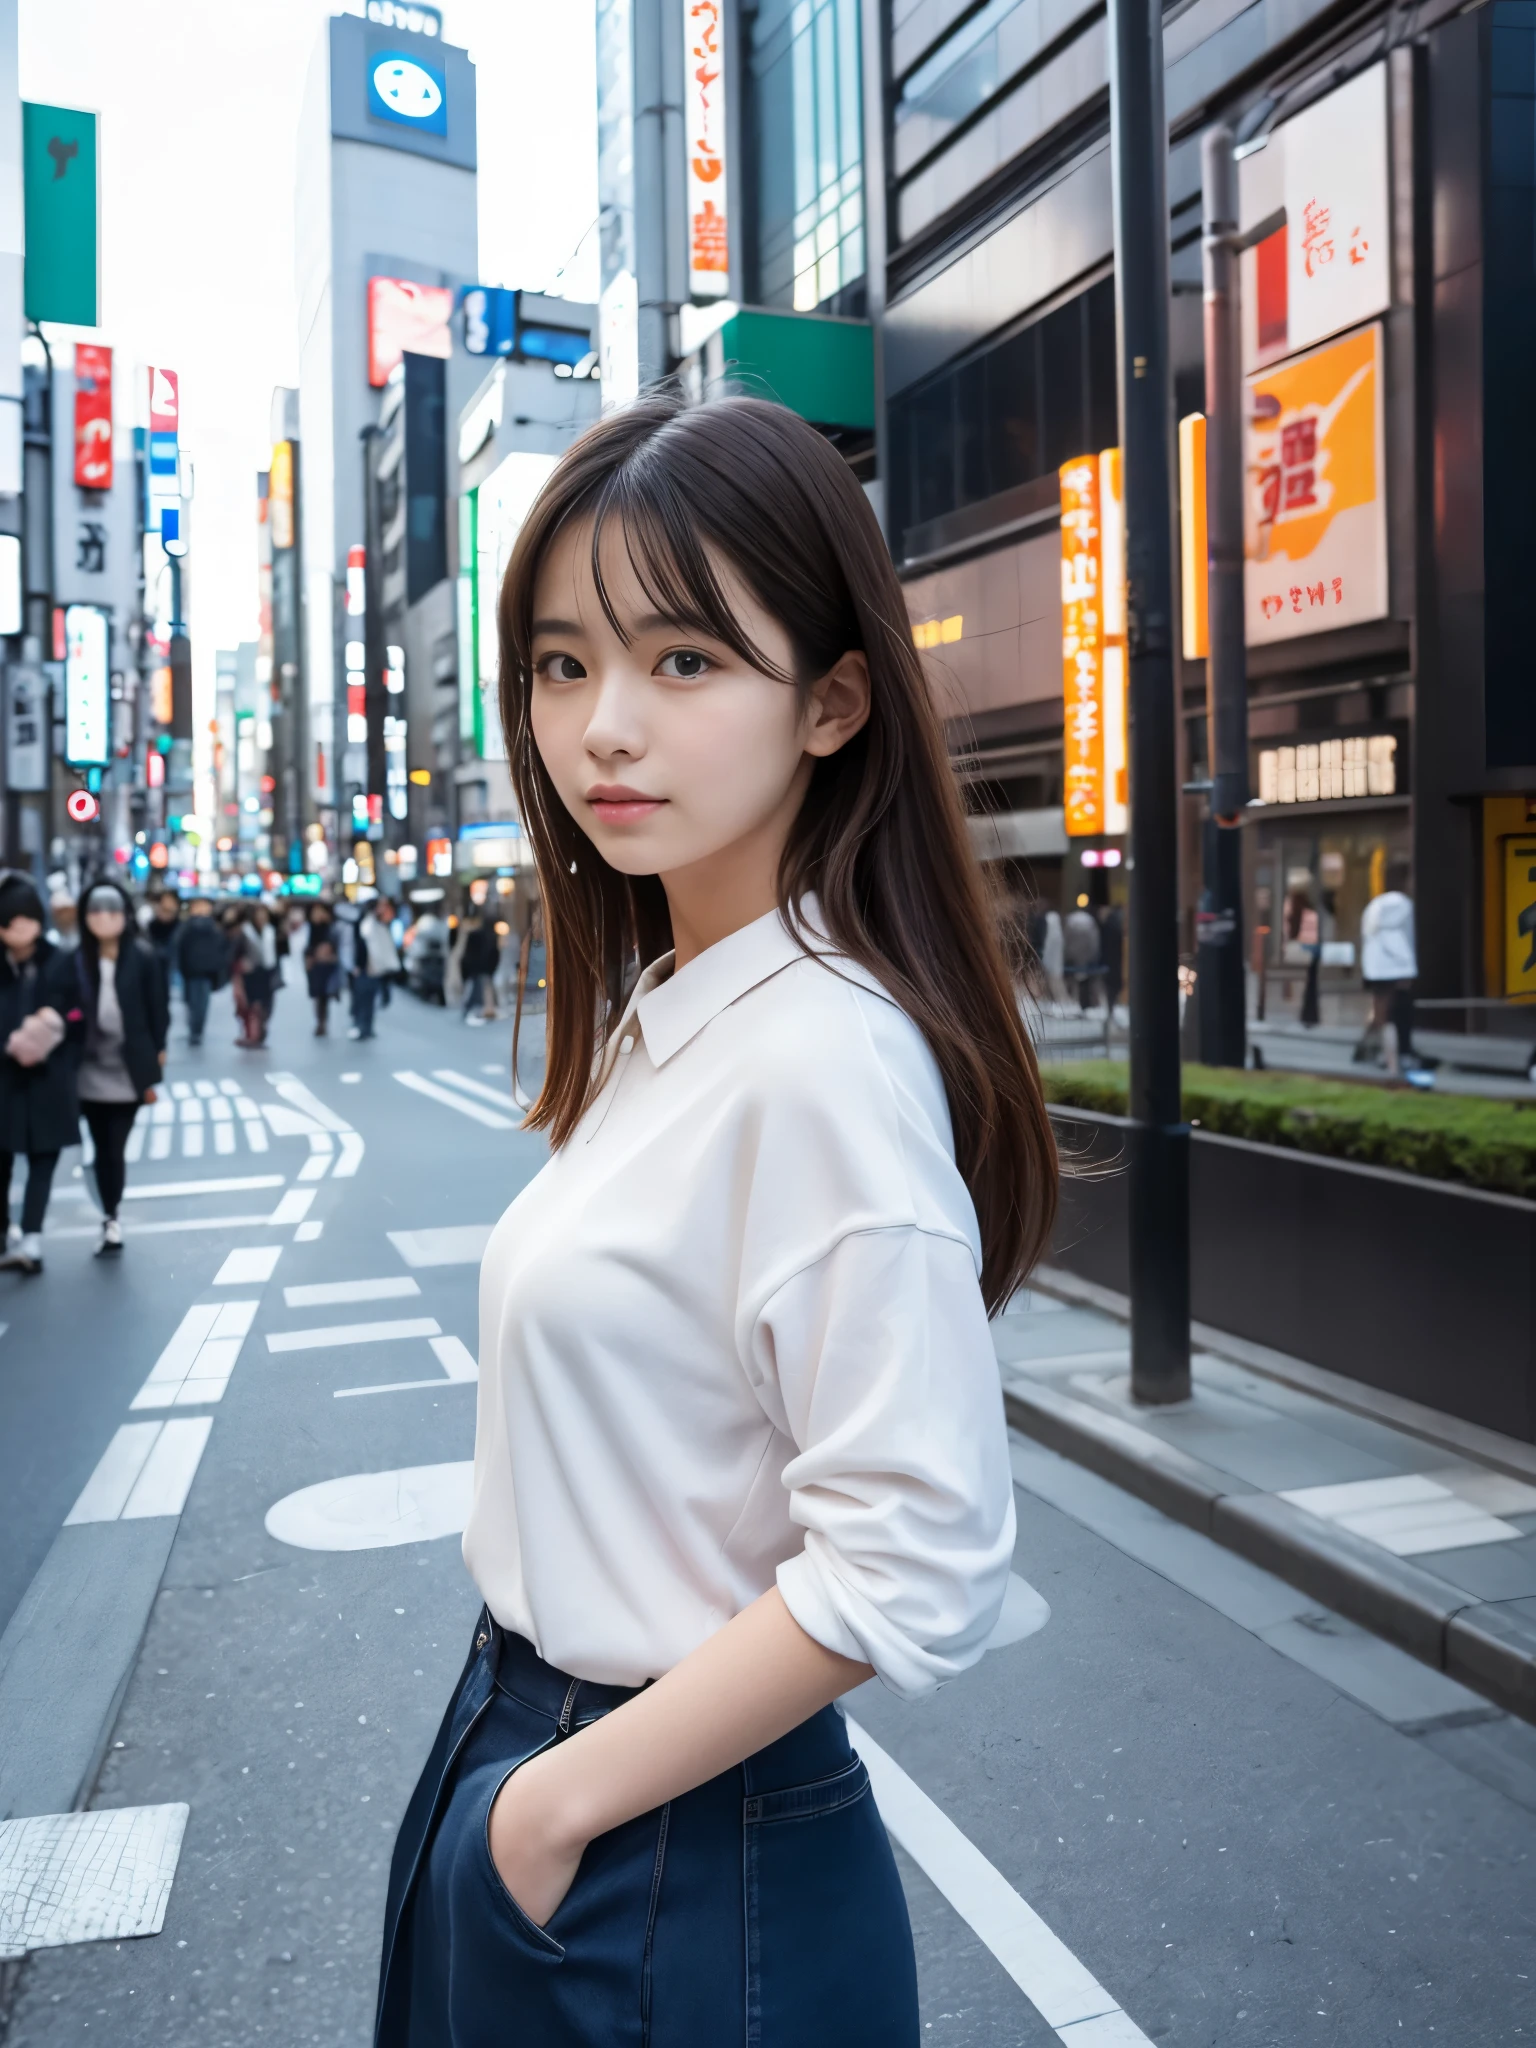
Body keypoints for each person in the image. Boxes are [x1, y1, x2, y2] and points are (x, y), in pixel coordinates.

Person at [372, 394, 1059, 2047]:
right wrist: (519, 1799)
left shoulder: (821, 1051)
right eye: (559, 662)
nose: (603, 724)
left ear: (831, 700)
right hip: (554, 1762)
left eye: (682, 662)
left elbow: (922, 1553)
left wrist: (547, 1814)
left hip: (661, 1831)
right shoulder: (679, 1004)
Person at [74, 881, 168, 1255]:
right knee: (100, 1147)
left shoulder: (143, 956)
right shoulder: (76, 958)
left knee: (115, 1147)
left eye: (112, 912)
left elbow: (157, 1009)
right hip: (87, 1069)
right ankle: (109, 1214)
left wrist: (159, 1050)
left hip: (129, 1068)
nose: (104, 919)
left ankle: (111, 1214)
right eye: (96, 912)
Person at [0, 875, 81, 1276]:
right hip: (5, 1079)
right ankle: (4, 1234)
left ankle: (31, 1236)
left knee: (43, 1159)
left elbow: (78, 1013)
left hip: (49, 1077)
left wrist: (52, 1026)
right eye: (10, 922)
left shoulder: (59, 960)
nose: (20, 929)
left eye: (27, 919)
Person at [1359, 856, 1421, 1076]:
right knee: (1400, 1013)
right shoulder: (1405, 905)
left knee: (1382, 1013)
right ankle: (1397, 1057)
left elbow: (1367, 937)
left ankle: (1378, 1052)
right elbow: (1409, 939)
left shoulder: (1374, 906)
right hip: (1399, 966)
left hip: (1375, 967)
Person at [176, 894, 228, 1046]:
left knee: (198, 1002)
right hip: (196, 971)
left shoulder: (201, 926)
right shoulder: (196, 926)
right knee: (198, 1002)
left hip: (199, 971)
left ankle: (195, 1030)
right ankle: (196, 1030)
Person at [350, 898, 400, 1041]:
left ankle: (367, 1027)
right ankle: (361, 1027)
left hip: (375, 968)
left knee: (370, 999)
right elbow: (365, 947)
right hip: (366, 967)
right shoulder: (367, 923)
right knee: (363, 999)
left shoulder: (380, 924)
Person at [458, 908, 500, 1024]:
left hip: (477, 969)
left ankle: (475, 1010)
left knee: (476, 990)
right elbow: (495, 954)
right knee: (482, 989)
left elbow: (468, 954)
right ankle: (484, 1010)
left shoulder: (477, 935)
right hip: (483, 969)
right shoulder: (491, 936)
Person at [305, 902, 341, 1036]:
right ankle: (319, 1022)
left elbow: (336, 944)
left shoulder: (331, 928)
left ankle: (324, 1022)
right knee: (318, 996)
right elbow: (308, 946)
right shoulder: (312, 928)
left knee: (325, 995)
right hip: (316, 965)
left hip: (327, 965)